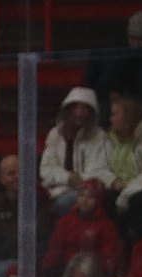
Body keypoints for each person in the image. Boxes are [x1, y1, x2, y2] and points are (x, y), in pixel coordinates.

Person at [93, 95, 142, 247]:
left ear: (128, 116)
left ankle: (138, 249)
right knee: (102, 198)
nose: (111, 119)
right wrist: (113, 181)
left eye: (115, 114)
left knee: (138, 201)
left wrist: (126, 192)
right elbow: (98, 168)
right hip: (120, 188)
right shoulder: (108, 138)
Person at [38, 86, 104, 217]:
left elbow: (99, 170)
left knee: (67, 203)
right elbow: (45, 171)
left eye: (84, 108)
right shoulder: (55, 134)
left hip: (87, 194)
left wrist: (80, 181)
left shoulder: (99, 136)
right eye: (76, 107)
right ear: (68, 110)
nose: (79, 113)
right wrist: (68, 178)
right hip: (56, 192)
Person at [42, 179, 123, 277]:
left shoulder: (107, 227)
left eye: (89, 197)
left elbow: (108, 258)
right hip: (65, 275)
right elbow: (54, 250)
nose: (84, 200)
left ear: (98, 201)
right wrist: (47, 268)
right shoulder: (65, 222)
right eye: (81, 195)